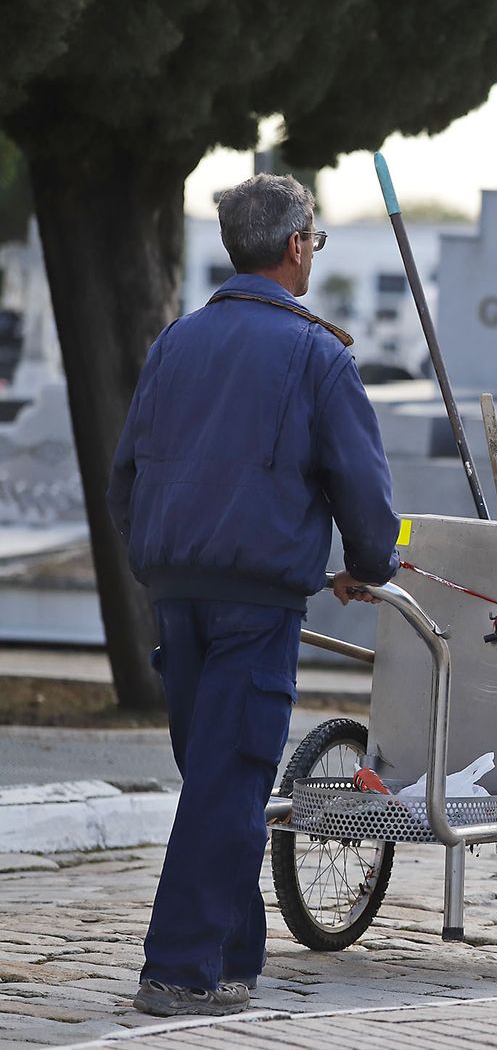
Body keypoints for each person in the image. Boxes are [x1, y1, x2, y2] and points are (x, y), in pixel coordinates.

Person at [108, 175, 401, 1017]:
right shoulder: (318, 353)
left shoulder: (176, 342)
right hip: (254, 601)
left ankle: (235, 958)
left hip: (177, 588)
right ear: (297, 245)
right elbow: (362, 487)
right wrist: (367, 565)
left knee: (215, 773)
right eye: (316, 240)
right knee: (231, 779)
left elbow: (125, 475)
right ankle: (178, 969)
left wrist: (156, 563)